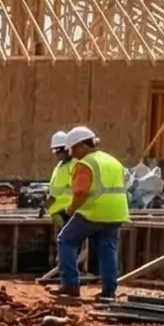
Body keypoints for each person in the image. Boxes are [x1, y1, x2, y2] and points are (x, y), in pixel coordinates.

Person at [55, 126, 131, 300]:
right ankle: (109, 291)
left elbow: (81, 192)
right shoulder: (112, 160)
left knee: (65, 240)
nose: (72, 154)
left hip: (93, 212)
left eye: (74, 148)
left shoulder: (85, 163)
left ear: (82, 145)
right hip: (116, 213)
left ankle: (70, 285)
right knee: (108, 249)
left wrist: (71, 208)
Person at [43, 128, 76, 227]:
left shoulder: (73, 164)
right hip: (59, 212)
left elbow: (55, 194)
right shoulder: (61, 165)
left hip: (67, 212)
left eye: (60, 150)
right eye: (55, 150)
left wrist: (46, 206)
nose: (58, 154)